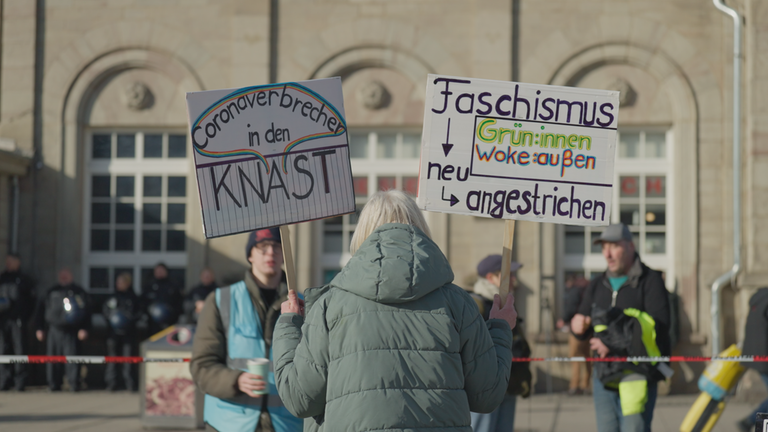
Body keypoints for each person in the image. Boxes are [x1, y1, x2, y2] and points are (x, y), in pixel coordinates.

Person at [273, 190, 518, 431]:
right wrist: (500, 328)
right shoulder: (458, 302)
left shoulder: (330, 305)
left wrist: (288, 326)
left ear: (363, 232)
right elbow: (487, 395)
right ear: (421, 227)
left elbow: (300, 398)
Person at [190, 227, 302, 432]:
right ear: (250, 255)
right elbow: (202, 366)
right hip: (229, 423)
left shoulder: (302, 304)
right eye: (262, 247)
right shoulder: (220, 300)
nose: (271, 252)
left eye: (277, 247)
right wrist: (236, 381)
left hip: (288, 423)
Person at [571, 224, 671, 432]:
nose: (607, 254)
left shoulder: (650, 280)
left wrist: (612, 344)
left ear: (630, 246)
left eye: (614, 246)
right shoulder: (597, 284)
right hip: (603, 375)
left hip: (638, 374)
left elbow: (658, 328)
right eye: (604, 247)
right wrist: (577, 327)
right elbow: (586, 328)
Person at [469, 254, 532, 432]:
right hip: (486, 387)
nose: (513, 279)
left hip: (508, 384)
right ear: (491, 277)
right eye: (508, 275)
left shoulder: (506, 303)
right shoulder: (476, 305)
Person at [34, 268, 91, 392]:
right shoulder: (51, 291)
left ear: (71, 275)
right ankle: (53, 384)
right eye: (61, 275)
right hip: (54, 330)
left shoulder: (79, 292)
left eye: (66, 275)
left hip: (72, 331)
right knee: (53, 359)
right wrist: (39, 328)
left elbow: (87, 312)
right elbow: (40, 311)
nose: (63, 277)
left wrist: (85, 328)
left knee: (72, 358)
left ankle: (74, 384)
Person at [0, 253, 34, 391]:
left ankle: (20, 382)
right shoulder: (2, 278)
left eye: (11, 261)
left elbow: (31, 302)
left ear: (17, 262)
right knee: (3, 349)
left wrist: (24, 317)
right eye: (6, 261)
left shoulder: (24, 280)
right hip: (3, 320)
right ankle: (4, 381)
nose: (7, 264)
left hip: (18, 320)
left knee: (20, 350)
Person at [103, 272, 141, 391]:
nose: (119, 284)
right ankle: (111, 384)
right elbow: (105, 311)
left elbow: (139, 313)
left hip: (129, 333)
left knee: (128, 359)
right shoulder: (112, 297)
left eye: (122, 282)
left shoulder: (133, 298)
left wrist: (128, 320)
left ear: (128, 283)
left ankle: (130, 384)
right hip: (113, 333)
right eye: (118, 282)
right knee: (112, 358)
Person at [737, 287, 768, 432]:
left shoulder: (760, 298)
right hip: (764, 356)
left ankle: (752, 423)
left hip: (757, 355)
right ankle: (750, 421)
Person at [557, 274, 592, 396]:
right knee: (587, 357)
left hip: (576, 327)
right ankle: (586, 385)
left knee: (575, 356)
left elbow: (571, 307)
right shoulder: (588, 289)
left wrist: (564, 319)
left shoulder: (575, 290)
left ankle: (574, 386)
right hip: (589, 327)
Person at [141, 263, 182, 335]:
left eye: (162, 270)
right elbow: (143, 302)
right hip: (152, 323)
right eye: (158, 271)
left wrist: (174, 316)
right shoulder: (149, 286)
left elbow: (179, 302)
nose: (160, 272)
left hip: (169, 322)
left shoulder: (173, 286)